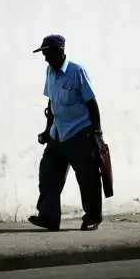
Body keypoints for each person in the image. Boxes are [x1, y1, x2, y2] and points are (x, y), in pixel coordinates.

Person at [29, 34, 104, 231]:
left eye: (47, 53)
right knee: (48, 175)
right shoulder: (50, 72)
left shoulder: (77, 72)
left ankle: (92, 218)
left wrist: (97, 134)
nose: (44, 58)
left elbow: (92, 104)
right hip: (57, 134)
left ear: (60, 52)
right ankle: (49, 217)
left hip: (79, 133)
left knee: (88, 178)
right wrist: (46, 131)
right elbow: (51, 104)